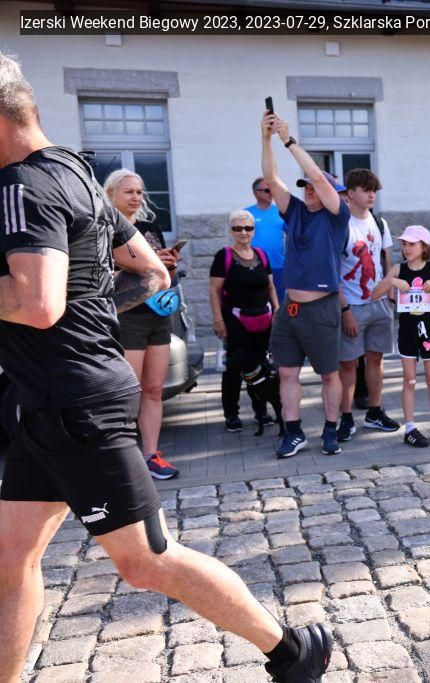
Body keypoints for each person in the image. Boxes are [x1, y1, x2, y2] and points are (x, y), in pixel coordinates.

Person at [0, 53, 332, 682]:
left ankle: (292, 651)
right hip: (41, 398)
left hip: (75, 404)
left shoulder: (21, 186)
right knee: (10, 558)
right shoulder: (71, 172)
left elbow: (39, 303)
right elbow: (152, 272)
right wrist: (92, 308)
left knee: (145, 560)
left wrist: (73, 312)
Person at [261, 110, 349, 458]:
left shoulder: (336, 216)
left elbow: (316, 176)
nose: (310, 190)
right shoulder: (296, 211)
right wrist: (266, 138)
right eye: (306, 188)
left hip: (321, 307)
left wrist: (288, 140)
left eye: (315, 187)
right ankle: (294, 432)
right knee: (286, 373)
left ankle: (330, 430)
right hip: (290, 309)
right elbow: (271, 178)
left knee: (329, 374)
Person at [104, 170, 181, 480]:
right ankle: (126, 461)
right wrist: (145, 266)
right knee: (128, 392)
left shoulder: (149, 228)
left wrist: (169, 266)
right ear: (111, 194)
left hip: (158, 315)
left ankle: (151, 456)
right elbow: (106, 277)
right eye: (129, 192)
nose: (136, 197)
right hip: (127, 317)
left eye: (139, 191)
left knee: (153, 390)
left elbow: (165, 278)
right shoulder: (104, 230)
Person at [371, 225, 430, 447]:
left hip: (429, 331)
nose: (407, 248)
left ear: (424, 246)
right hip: (407, 331)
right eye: (404, 244)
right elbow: (374, 294)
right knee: (409, 379)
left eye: (412, 244)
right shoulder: (398, 269)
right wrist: (391, 281)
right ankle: (409, 428)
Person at [335, 168, 399, 441]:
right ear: (351, 193)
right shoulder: (341, 225)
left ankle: (374, 410)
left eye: (374, 190)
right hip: (353, 305)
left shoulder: (379, 222)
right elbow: (334, 272)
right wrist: (344, 310)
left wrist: (389, 293)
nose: (372, 194)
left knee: (376, 358)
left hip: (379, 302)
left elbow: (385, 260)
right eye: (366, 189)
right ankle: (346, 417)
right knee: (348, 364)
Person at [209, 209, 280, 432]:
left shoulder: (261, 255)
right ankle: (231, 414)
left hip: (263, 320)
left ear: (254, 230)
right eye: (238, 228)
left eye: (248, 228)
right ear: (231, 231)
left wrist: (277, 310)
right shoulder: (224, 256)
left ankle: (261, 411)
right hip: (236, 321)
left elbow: (270, 286)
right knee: (234, 368)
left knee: (260, 368)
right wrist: (218, 320)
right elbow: (214, 291)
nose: (243, 232)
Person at [246, 177, 287, 305]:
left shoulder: (281, 212)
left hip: (278, 265)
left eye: (272, 189)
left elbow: (293, 236)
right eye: (267, 190)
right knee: (256, 302)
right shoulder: (247, 214)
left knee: (278, 303)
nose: (271, 193)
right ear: (256, 192)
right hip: (254, 266)